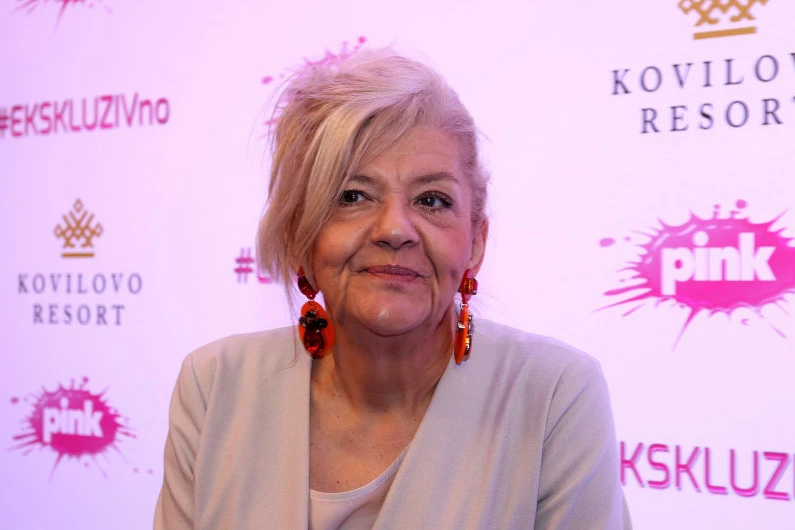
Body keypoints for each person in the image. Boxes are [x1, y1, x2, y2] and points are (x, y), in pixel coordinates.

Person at [154, 48, 631, 529]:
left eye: (432, 200)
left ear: (476, 242)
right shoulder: (215, 386)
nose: (395, 229)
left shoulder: (554, 396)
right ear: (299, 238)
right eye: (352, 196)